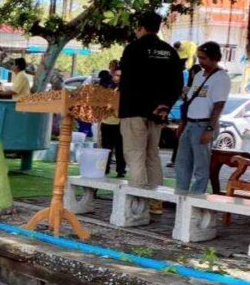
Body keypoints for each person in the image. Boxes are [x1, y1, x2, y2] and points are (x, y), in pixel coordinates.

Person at [118, 12, 183, 214]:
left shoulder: (133, 48)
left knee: (136, 156)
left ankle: (138, 205)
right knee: (152, 155)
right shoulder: (169, 51)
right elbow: (178, 84)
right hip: (158, 113)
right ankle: (156, 202)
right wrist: (165, 105)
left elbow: (127, 81)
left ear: (140, 27)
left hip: (133, 110)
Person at [174, 42, 230, 195]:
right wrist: (183, 123)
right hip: (190, 122)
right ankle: (180, 194)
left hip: (204, 124)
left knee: (201, 165)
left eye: (204, 58)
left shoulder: (221, 78)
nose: (201, 62)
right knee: (182, 163)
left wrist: (210, 129)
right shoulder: (198, 75)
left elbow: (218, 105)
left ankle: (196, 196)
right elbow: (190, 101)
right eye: (199, 58)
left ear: (214, 58)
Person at [98, 69, 125, 178]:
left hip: (119, 122)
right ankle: (105, 168)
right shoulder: (107, 87)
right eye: (116, 75)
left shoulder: (125, 89)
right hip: (106, 122)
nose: (118, 78)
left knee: (120, 148)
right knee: (106, 147)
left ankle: (121, 170)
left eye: (120, 75)